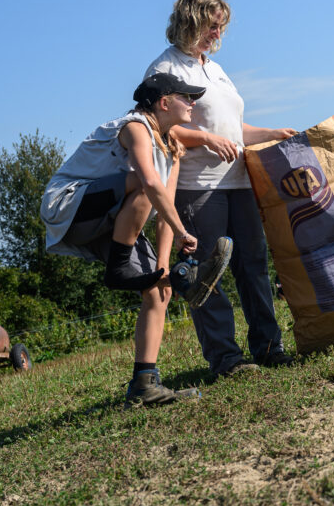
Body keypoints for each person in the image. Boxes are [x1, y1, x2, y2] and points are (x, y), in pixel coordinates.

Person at [41, 73, 234, 407]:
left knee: (159, 291)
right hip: (68, 204)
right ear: (163, 103)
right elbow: (147, 183)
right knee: (144, 182)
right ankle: (119, 269)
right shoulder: (135, 127)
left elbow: (165, 208)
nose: (192, 103)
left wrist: (164, 270)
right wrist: (186, 234)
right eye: (185, 97)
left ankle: (144, 384)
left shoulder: (171, 150)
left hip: (110, 218)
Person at [144, 0, 297, 376]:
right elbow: (159, 132)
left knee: (253, 265)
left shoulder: (215, 69)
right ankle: (225, 359)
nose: (218, 34)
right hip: (197, 186)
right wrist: (207, 140)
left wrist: (270, 132)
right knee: (206, 274)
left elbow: (231, 128)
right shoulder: (166, 70)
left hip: (239, 182)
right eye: (213, 25)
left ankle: (268, 346)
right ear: (191, 20)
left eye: (221, 26)